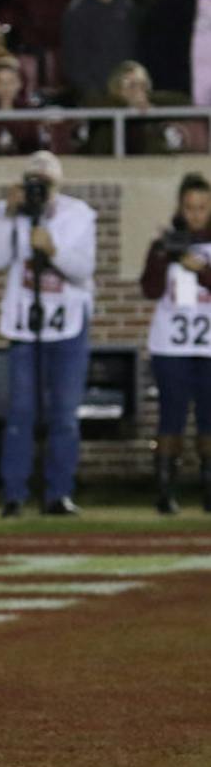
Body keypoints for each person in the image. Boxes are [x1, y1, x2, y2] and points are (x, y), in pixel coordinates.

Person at [0, 150, 96, 517]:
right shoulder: (11, 215)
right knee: (21, 412)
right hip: (25, 326)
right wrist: (6, 216)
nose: (38, 191)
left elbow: (83, 270)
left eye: (44, 184)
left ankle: (59, 492)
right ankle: (14, 493)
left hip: (68, 323)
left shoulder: (78, 215)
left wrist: (53, 250)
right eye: (33, 182)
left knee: (63, 413)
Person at [140, 172, 211, 514]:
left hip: (208, 344)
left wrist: (201, 270)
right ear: (180, 208)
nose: (196, 214)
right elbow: (150, 289)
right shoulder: (166, 245)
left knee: (209, 419)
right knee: (172, 416)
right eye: (190, 207)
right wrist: (162, 255)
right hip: (171, 344)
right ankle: (165, 490)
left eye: (202, 207)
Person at [59, 0, 136, 104]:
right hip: (100, 98)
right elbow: (75, 64)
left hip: (130, 90)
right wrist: (95, 96)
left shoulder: (123, 1)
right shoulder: (78, 12)